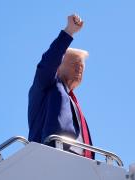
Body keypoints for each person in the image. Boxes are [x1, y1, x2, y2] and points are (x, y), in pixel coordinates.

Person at [28, 14, 94, 159]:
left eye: (81, 66)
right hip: (49, 160)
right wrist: (69, 31)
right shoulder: (46, 85)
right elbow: (48, 63)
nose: (79, 69)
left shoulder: (74, 104)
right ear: (57, 67)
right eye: (74, 64)